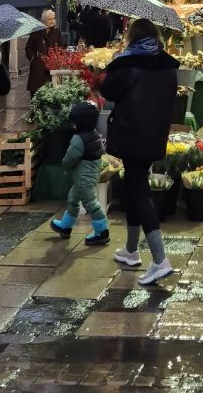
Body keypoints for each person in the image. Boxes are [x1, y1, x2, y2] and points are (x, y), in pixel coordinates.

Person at [100, 17, 179, 287]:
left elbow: (108, 91)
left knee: (139, 191)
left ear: (132, 36)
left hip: (130, 133)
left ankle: (160, 259)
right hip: (154, 134)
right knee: (134, 185)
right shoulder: (167, 64)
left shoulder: (126, 63)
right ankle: (131, 250)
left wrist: (113, 62)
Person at [50, 101, 110, 245]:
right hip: (87, 175)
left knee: (90, 203)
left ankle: (102, 231)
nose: (73, 125)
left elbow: (70, 158)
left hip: (83, 177)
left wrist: (65, 167)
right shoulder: (94, 134)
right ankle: (65, 226)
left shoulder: (78, 139)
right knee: (73, 199)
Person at [25, 7, 63, 97]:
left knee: (51, 93)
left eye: (53, 18)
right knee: (36, 93)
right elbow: (28, 48)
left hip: (52, 67)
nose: (52, 21)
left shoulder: (57, 32)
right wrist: (33, 58)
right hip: (38, 67)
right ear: (43, 21)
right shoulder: (36, 32)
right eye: (49, 19)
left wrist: (58, 59)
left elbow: (61, 48)